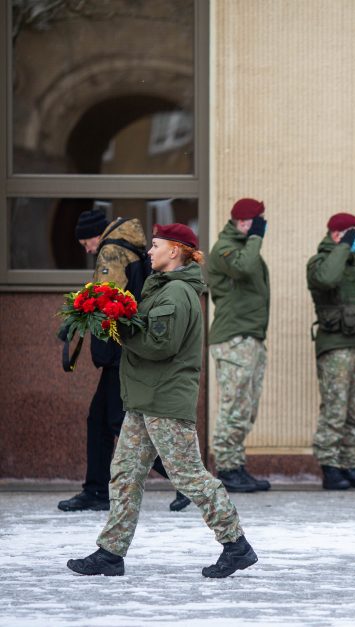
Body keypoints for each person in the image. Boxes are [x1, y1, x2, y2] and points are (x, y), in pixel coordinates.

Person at [67, 224, 257, 578]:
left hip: (165, 400)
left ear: (176, 250)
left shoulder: (178, 294)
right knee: (124, 475)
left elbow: (160, 345)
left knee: (189, 477)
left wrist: (118, 327)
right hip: (145, 398)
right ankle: (110, 553)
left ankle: (236, 545)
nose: (149, 252)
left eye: (156, 246)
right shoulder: (162, 288)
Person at [58, 208, 189, 513]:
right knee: (99, 420)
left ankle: (185, 481)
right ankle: (95, 491)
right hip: (126, 347)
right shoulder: (128, 244)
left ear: (93, 236)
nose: (87, 249)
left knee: (117, 420)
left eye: (85, 243)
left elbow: (105, 295)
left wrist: (77, 317)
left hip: (119, 348)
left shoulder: (112, 250)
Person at [306, 213, 355, 490]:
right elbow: (327, 280)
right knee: (335, 409)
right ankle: (330, 467)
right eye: (353, 233)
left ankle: (349, 464)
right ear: (337, 235)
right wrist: (342, 247)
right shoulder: (319, 263)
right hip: (336, 347)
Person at [206, 198, 271, 493]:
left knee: (247, 406)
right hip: (233, 339)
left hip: (250, 337)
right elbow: (244, 268)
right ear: (244, 222)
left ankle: (236, 463)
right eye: (257, 221)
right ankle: (226, 467)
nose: (261, 226)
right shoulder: (224, 248)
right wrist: (256, 236)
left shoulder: (243, 246)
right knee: (233, 405)